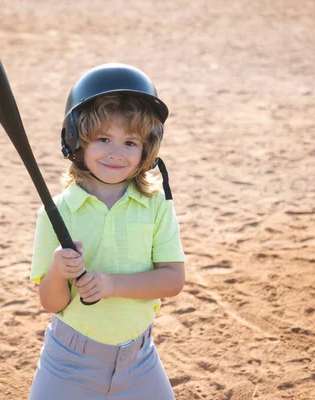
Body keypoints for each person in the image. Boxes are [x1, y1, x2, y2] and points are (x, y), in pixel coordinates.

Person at [29, 63, 186, 400]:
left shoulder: (155, 205)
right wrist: (58, 272)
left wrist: (113, 285)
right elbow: (51, 302)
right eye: (103, 139)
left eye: (130, 142)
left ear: (148, 149)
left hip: (139, 361)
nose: (117, 153)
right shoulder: (56, 213)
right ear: (75, 140)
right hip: (69, 364)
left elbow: (173, 280)